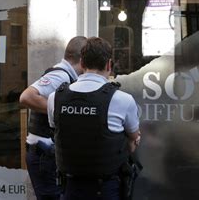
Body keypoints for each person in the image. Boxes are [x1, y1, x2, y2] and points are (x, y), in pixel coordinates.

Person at [47, 37, 141, 200]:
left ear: (82, 63)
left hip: (70, 189)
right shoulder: (122, 100)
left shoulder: (55, 98)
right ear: (109, 65)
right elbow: (134, 138)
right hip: (106, 189)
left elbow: (56, 132)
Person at [19, 36, 87, 200]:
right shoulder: (61, 76)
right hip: (44, 154)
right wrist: (61, 112)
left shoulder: (68, 76)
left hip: (46, 153)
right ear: (83, 59)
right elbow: (26, 97)